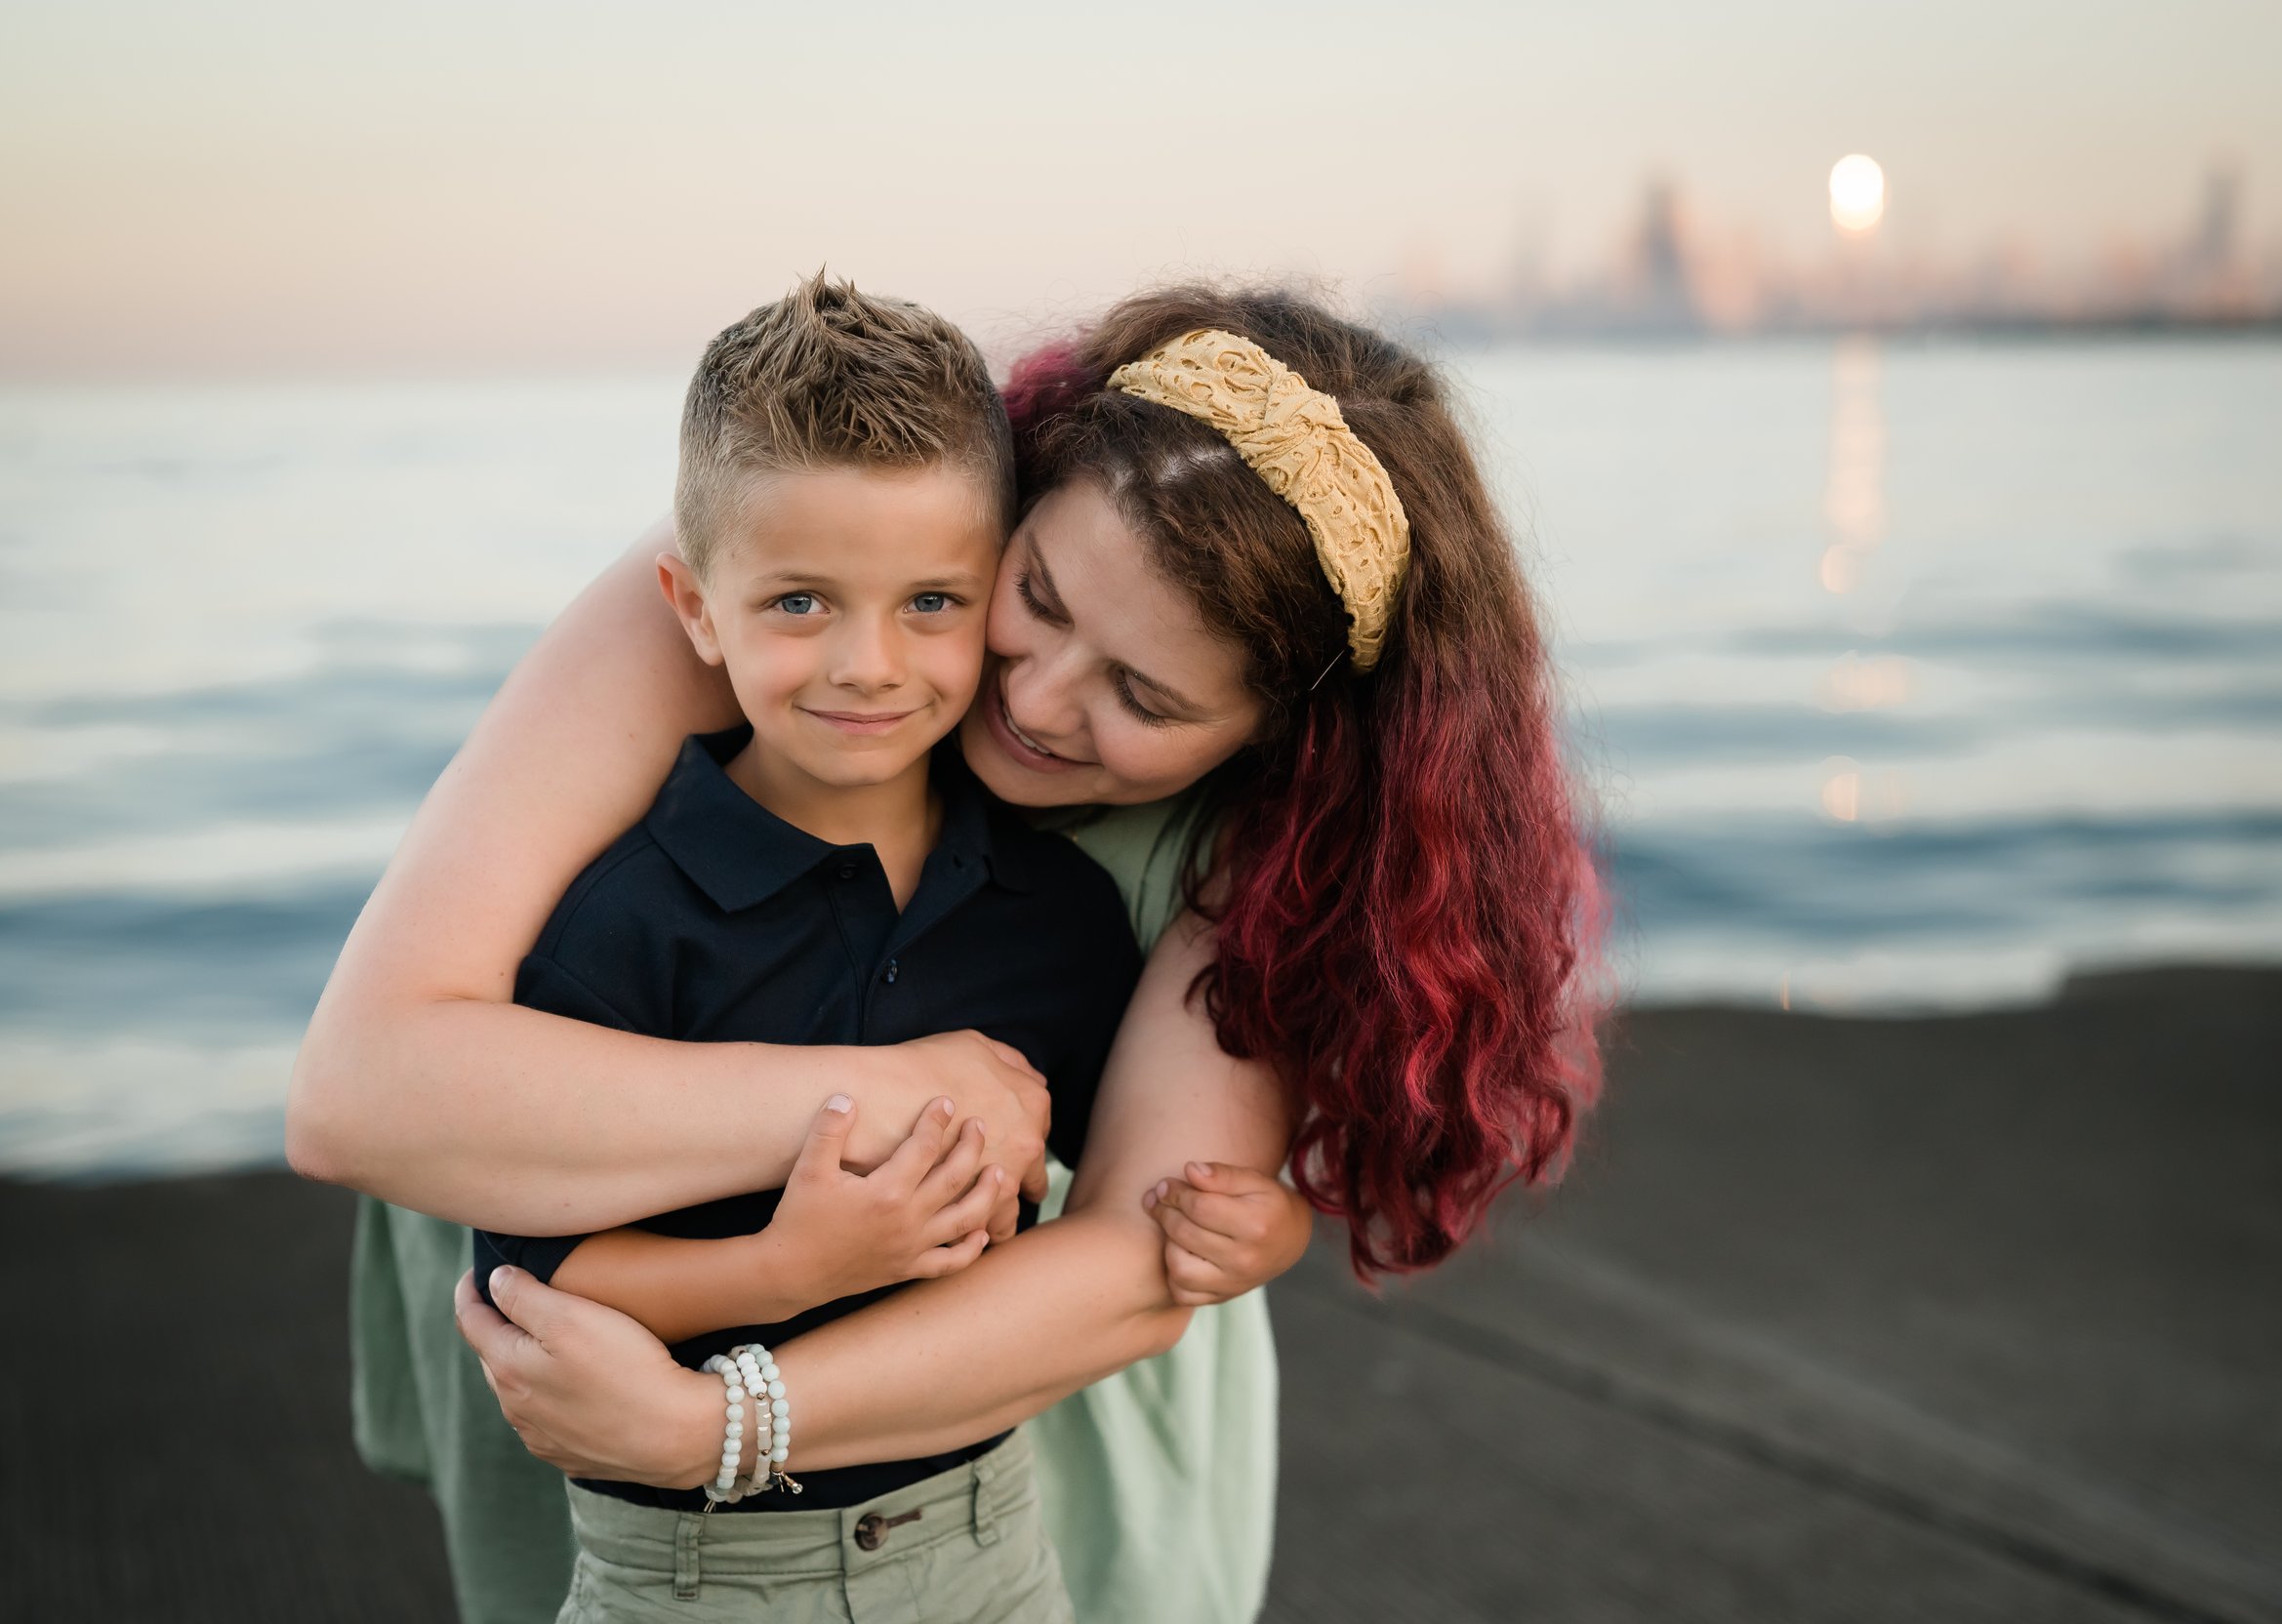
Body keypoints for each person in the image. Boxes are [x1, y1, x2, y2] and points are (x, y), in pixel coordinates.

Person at [288, 285, 1602, 1624]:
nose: (1029, 699)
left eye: (1143, 697)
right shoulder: (805, 572)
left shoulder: (1287, 835)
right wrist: (912, 1094)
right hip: (583, 1242)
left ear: (1279, 738)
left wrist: (722, 1425)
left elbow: (1138, 1249)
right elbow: (362, 1094)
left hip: (998, 1381)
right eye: (1030, 597)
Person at [453, 274, 1176, 1621]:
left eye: (930, 604)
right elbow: (528, 1282)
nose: (867, 664)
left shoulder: (1055, 911)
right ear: (694, 605)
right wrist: (787, 1272)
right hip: (698, 1574)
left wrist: (1250, 1216)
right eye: (798, 603)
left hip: (989, 1545)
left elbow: (1127, 1200)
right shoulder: (628, 919)